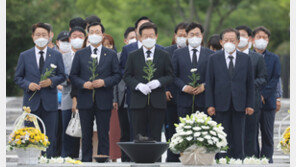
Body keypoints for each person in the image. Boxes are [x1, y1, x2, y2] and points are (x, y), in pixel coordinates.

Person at [69, 22, 121, 162]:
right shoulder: (80, 54)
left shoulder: (110, 54)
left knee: (104, 133)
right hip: (85, 99)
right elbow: (73, 76)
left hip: (104, 99)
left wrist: (105, 82)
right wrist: (83, 84)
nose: (94, 35)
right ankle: (86, 160)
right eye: (91, 32)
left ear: (102, 35)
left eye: (97, 32)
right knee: (86, 134)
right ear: (88, 35)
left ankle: (103, 160)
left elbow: (117, 75)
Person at [14, 22, 66, 158]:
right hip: (31, 104)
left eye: (44, 34)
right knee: (31, 136)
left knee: (50, 137)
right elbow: (18, 77)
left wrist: (51, 81)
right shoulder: (24, 55)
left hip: (50, 103)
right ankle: (31, 160)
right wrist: (28, 84)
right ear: (33, 37)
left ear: (49, 36)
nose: (41, 37)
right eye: (38, 34)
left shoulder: (56, 55)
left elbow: (62, 75)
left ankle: (48, 160)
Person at [206, 28, 255, 159]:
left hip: (240, 104)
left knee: (239, 136)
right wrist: (210, 105)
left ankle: (239, 159)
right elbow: (209, 83)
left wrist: (250, 104)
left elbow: (250, 83)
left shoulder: (246, 59)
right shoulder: (213, 58)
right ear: (221, 42)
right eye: (226, 40)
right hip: (220, 104)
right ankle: (221, 160)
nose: (229, 42)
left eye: (232, 40)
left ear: (238, 42)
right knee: (221, 135)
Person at [123, 22, 174, 142]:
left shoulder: (164, 55)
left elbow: (170, 75)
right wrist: (138, 85)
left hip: (157, 102)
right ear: (140, 37)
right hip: (138, 101)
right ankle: (139, 160)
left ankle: (156, 160)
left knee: (156, 136)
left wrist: (159, 82)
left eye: (151, 35)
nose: (148, 38)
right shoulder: (133, 55)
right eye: (145, 36)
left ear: (156, 36)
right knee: (138, 136)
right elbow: (126, 76)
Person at [235, 25, 267, 158]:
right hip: (232, 101)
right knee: (234, 133)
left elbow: (263, 78)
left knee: (251, 134)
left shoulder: (257, 58)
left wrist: (248, 85)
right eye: (238, 36)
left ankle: (250, 159)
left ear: (249, 38)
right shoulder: (229, 56)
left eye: (243, 35)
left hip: (252, 101)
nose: (241, 38)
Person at [173, 22, 214, 118]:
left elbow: (214, 76)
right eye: (192, 34)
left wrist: (204, 86)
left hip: (203, 101)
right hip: (184, 101)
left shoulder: (210, 54)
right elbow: (173, 75)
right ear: (187, 36)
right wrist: (184, 87)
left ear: (202, 36)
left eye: (197, 34)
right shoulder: (178, 53)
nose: (194, 37)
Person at [252, 26, 281, 163]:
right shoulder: (247, 57)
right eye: (259, 37)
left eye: (265, 38)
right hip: (251, 101)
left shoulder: (274, 58)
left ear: (268, 40)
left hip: (268, 102)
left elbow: (275, 78)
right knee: (251, 134)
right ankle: (253, 159)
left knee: (267, 134)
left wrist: (263, 95)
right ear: (253, 40)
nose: (262, 40)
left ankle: (266, 160)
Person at [60, 28, 86, 158]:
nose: (77, 39)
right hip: (67, 98)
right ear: (70, 39)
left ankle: (80, 157)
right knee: (68, 130)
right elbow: (59, 76)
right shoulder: (62, 57)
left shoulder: (88, 55)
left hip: (85, 96)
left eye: (80, 36)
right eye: (74, 36)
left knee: (83, 130)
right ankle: (66, 157)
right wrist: (69, 78)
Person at [164, 22, 188, 162]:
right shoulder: (167, 51)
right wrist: (165, 89)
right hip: (171, 98)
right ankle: (171, 159)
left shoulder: (197, 52)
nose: (183, 38)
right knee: (171, 131)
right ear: (175, 36)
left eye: (186, 35)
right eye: (180, 35)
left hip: (188, 97)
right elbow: (162, 73)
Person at [112, 27, 136, 162]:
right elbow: (116, 79)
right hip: (122, 98)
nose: (133, 40)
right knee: (124, 131)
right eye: (131, 38)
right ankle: (125, 159)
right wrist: (115, 98)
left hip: (135, 98)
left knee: (135, 130)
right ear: (125, 40)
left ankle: (134, 158)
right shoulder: (119, 55)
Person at [101, 33, 122, 162]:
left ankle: (114, 157)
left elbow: (116, 80)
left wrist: (115, 99)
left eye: (110, 44)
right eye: (105, 45)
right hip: (101, 98)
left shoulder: (116, 57)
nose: (108, 47)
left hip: (114, 99)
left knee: (115, 131)